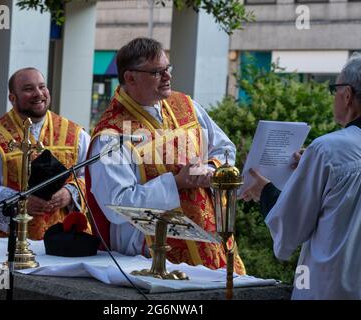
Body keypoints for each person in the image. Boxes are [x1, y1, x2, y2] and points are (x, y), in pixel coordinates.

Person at [86, 37, 245, 273]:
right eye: (157, 72)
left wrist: (210, 170)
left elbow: (225, 149)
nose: (168, 76)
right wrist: (177, 182)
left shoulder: (187, 106)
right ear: (130, 78)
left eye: (167, 69)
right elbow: (116, 205)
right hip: (151, 254)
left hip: (210, 240)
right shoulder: (112, 135)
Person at [240, 52, 361, 299]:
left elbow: (292, 227)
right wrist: (313, 169)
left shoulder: (329, 150)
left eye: (334, 89)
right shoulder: (329, 155)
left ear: (347, 95)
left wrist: (265, 191)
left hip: (334, 287)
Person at [0, 67, 90, 240]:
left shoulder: (75, 136)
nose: (39, 94)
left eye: (42, 86)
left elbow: (92, 176)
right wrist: (19, 203)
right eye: (29, 89)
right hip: (7, 241)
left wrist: (70, 193)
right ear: (12, 98)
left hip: (63, 240)